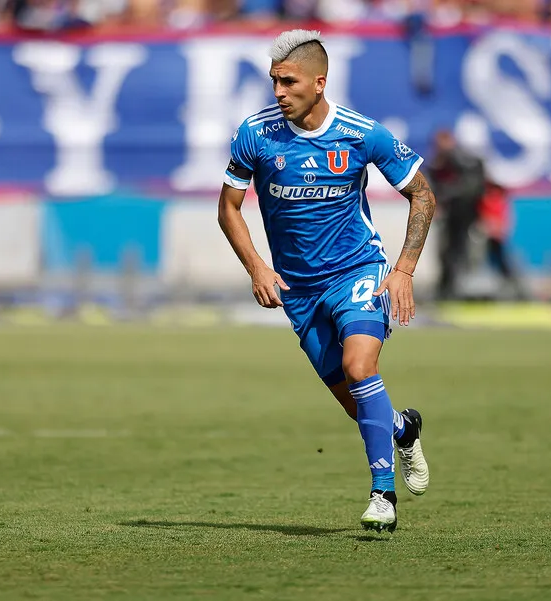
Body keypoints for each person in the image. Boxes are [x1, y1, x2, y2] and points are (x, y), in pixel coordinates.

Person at [217, 29, 434, 533]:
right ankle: (402, 429)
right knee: (357, 402)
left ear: (319, 82)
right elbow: (229, 209)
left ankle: (383, 495)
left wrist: (402, 270)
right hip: (299, 290)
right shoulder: (254, 133)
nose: (278, 91)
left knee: (361, 368)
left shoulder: (362, 133)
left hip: (359, 272)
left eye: (288, 82)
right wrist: (257, 268)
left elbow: (422, 195)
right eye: (274, 81)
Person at [426, 128, 485, 300]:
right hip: (451, 216)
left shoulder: (462, 160)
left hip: (465, 215)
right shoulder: (439, 162)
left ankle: (458, 290)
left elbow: (472, 187)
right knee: (446, 252)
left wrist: (445, 196)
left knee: (463, 252)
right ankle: (447, 290)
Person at [478, 179, 526, 300]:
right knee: (495, 262)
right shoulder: (491, 199)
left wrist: (498, 230)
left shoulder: (495, 200)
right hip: (491, 236)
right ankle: (504, 286)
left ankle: (511, 286)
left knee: (502, 263)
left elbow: (499, 220)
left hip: (496, 237)